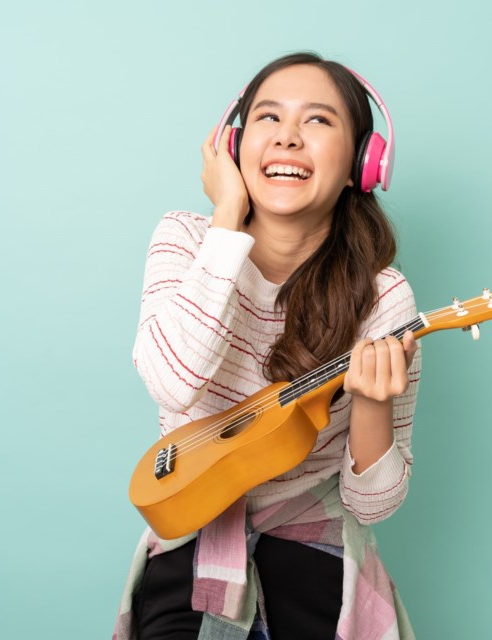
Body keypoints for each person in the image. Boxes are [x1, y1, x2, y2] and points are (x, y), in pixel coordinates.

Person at [114, 52, 421, 640]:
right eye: (269, 118)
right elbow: (172, 381)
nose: (287, 137)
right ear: (233, 147)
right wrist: (226, 221)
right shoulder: (185, 239)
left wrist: (374, 404)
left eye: (318, 121)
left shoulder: (384, 299)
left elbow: (372, 505)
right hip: (192, 541)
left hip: (315, 554)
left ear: (363, 160)